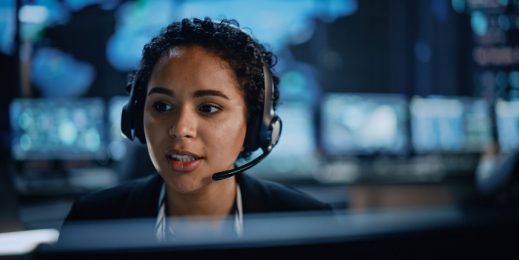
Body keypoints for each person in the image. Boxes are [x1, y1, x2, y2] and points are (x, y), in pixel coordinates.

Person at [58, 17, 333, 243]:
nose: (180, 129)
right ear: (135, 119)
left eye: (209, 108)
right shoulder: (92, 222)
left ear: (255, 126)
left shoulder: (308, 224)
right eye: (162, 107)